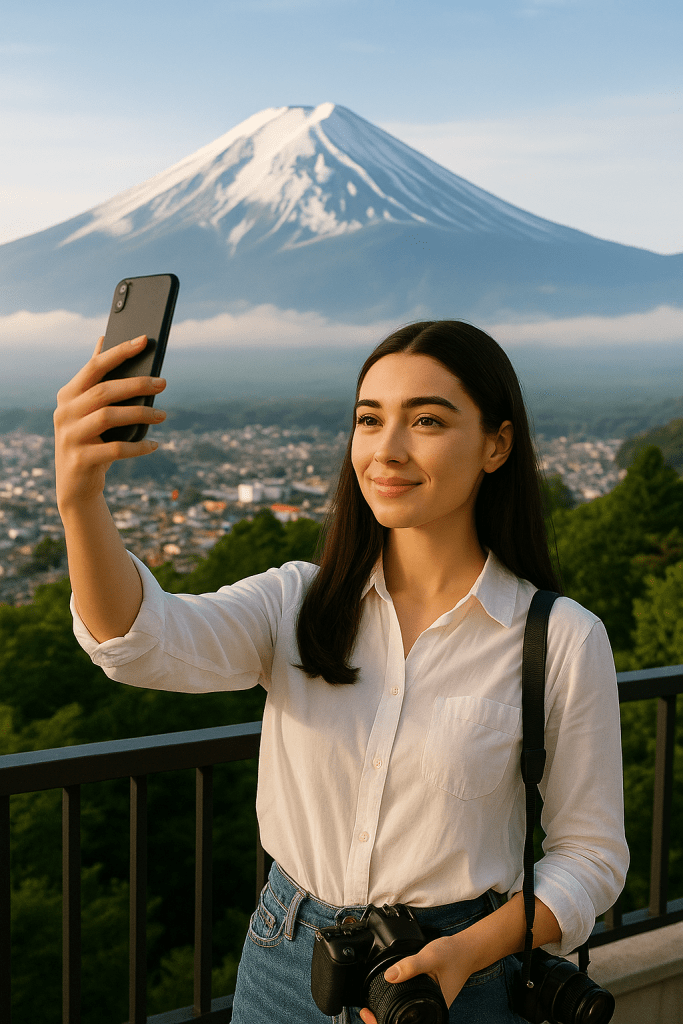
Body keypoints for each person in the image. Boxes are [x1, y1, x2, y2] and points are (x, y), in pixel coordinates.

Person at [55, 320, 628, 1024]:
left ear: (496, 445)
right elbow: (138, 641)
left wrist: (467, 951)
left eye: (425, 420)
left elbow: (590, 857)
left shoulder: (560, 638)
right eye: (368, 419)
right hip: (284, 959)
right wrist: (80, 500)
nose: (386, 449)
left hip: (458, 979)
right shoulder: (296, 602)